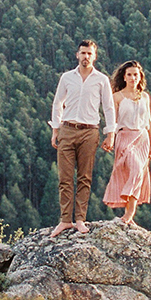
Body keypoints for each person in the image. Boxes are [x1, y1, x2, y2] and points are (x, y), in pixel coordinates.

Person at [49, 39, 116, 236]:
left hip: (90, 131)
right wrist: (55, 130)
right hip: (67, 129)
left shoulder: (101, 79)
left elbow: (109, 107)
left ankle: (80, 220)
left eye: (89, 54)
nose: (86, 57)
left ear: (94, 56)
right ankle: (64, 220)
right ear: (77, 55)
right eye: (83, 53)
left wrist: (110, 134)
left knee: (85, 177)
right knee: (65, 177)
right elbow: (57, 103)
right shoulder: (67, 77)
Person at [102, 59, 151, 227]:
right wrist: (110, 137)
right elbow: (112, 120)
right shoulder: (117, 97)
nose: (133, 78)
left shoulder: (145, 97)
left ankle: (129, 214)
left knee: (139, 171)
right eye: (130, 75)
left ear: (140, 77)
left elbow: (149, 121)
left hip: (142, 138)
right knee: (134, 169)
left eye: (136, 75)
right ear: (124, 77)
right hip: (124, 137)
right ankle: (127, 207)